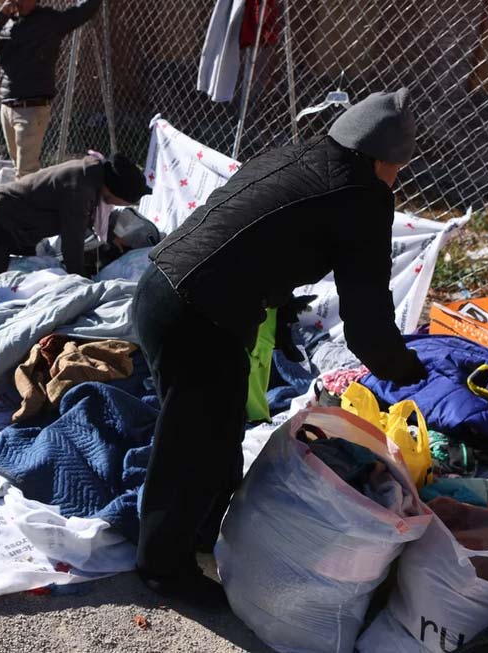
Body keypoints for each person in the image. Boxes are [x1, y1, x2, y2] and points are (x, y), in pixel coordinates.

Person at [132, 88, 429, 607]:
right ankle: (161, 569)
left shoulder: (299, 153)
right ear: (385, 161)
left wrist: (276, 296)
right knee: (191, 447)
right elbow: (367, 320)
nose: (397, 179)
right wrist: (409, 372)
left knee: (216, 432)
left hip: (162, 288)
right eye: (399, 168)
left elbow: (260, 229)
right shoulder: (362, 196)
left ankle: (200, 536)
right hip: (198, 315)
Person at [0, 152, 148, 282]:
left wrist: (112, 237)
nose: (125, 206)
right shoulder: (80, 189)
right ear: (115, 192)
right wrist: (81, 281)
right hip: (1, 217)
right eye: (127, 202)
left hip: (23, 224)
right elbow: (72, 244)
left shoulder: (94, 176)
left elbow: (92, 217)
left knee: (26, 264)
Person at [0, 0, 103, 178]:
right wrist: (0, 15)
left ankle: (28, 196)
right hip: (7, 107)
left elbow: (83, 11)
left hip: (31, 108)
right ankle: (27, 194)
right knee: (18, 168)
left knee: (26, 172)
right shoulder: (6, 22)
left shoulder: (48, 21)